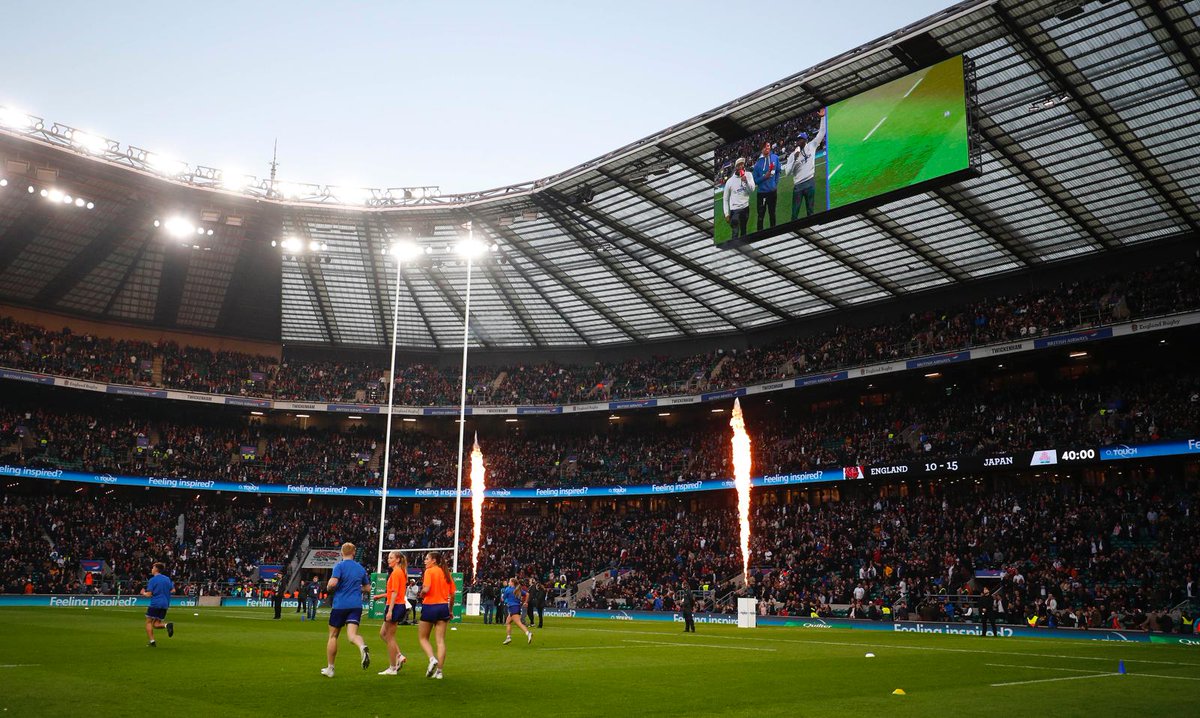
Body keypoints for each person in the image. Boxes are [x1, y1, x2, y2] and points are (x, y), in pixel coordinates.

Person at [320, 542, 371, 678]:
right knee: (352, 635)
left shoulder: (339, 566)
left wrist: (329, 589)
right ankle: (362, 647)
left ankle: (330, 668)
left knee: (333, 636)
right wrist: (355, 588)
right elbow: (367, 588)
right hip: (356, 605)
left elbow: (332, 583)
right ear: (354, 553)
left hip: (340, 605)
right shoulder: (360, 568)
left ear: (342, 553)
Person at [418, 552, 456, 679]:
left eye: (427, 558)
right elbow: (453, 595)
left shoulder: (429, 571)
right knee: (440, 641)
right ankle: (439, 672)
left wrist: (421, 593)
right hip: (443, 607)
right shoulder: (446, 573)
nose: (425, 561)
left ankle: (432, 659)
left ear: (433, 560)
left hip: (430, 606)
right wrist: (450, 611)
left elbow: (427, 588)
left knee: (423, 638)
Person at [784, 108, 827, 221]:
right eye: (798, 140)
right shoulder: (792, 155)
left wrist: (822, 117)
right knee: (794, 213)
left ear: (805, 140)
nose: (798, 142)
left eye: (801, 140)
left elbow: (822, 133)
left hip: (810, 182)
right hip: (798, 186)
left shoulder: (811, 146)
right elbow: (788, 173)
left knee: (810, 212)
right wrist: (795, 159)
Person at [373, 550, 409, 675]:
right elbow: (394, 592)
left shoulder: (396, 573)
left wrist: (390, 610)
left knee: (389, 637)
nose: (388, 559)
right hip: (397, 605)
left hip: (395, 606)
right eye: (388, 557)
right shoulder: (400, 572)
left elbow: (394, 594)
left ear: (398, 559)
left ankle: (392, 667)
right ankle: (398, 655)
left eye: (391, 557)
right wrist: (381, 596)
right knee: (383, 634)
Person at [141, 562, 174, 647]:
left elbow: (149, 594)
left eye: (153, 568)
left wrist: (143, 593)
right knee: (156, 624)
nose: (151, 570)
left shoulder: (153, 580)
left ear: (156, 569)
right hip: (165, 604)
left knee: (148, 622)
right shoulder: (167, 579)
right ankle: (167, 625)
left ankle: (152, 642)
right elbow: (173, 590)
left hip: (156, 603)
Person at [721, 158, 755, 240]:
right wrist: (726, 214)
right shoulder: (730, 181)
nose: (741, 166)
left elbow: (752, 190)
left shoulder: (749, 175)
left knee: (744, 231)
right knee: (735, 233)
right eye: (739, 165)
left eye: (742, 164)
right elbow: (725, 199)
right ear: (735, 167)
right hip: (735, 211)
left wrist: (746, 181)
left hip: (746, 208)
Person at [752, 141, 781, 231]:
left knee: (772, 214)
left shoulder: (775, 158)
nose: (767, 148)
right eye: (764, 147)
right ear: (762, 149)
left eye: (768, 146)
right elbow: (755, 181)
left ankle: (773, 232)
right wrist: (765, 177)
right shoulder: (757, 165)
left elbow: (778, 172)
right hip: (762, 194)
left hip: (772, 192)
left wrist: (775, 184)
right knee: (761, 216)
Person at [501, 577, 533, 646]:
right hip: (517, 607)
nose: (508, 582)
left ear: (512, 583)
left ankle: (528, 633)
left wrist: (502, 597)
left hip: (512, 607)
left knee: (518, 623)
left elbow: (503, 598)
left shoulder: (508, 589)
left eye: (509, 581)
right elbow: (527, 594)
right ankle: (508, 637)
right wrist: (526, 602)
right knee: (508, 622)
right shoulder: (518, 589)